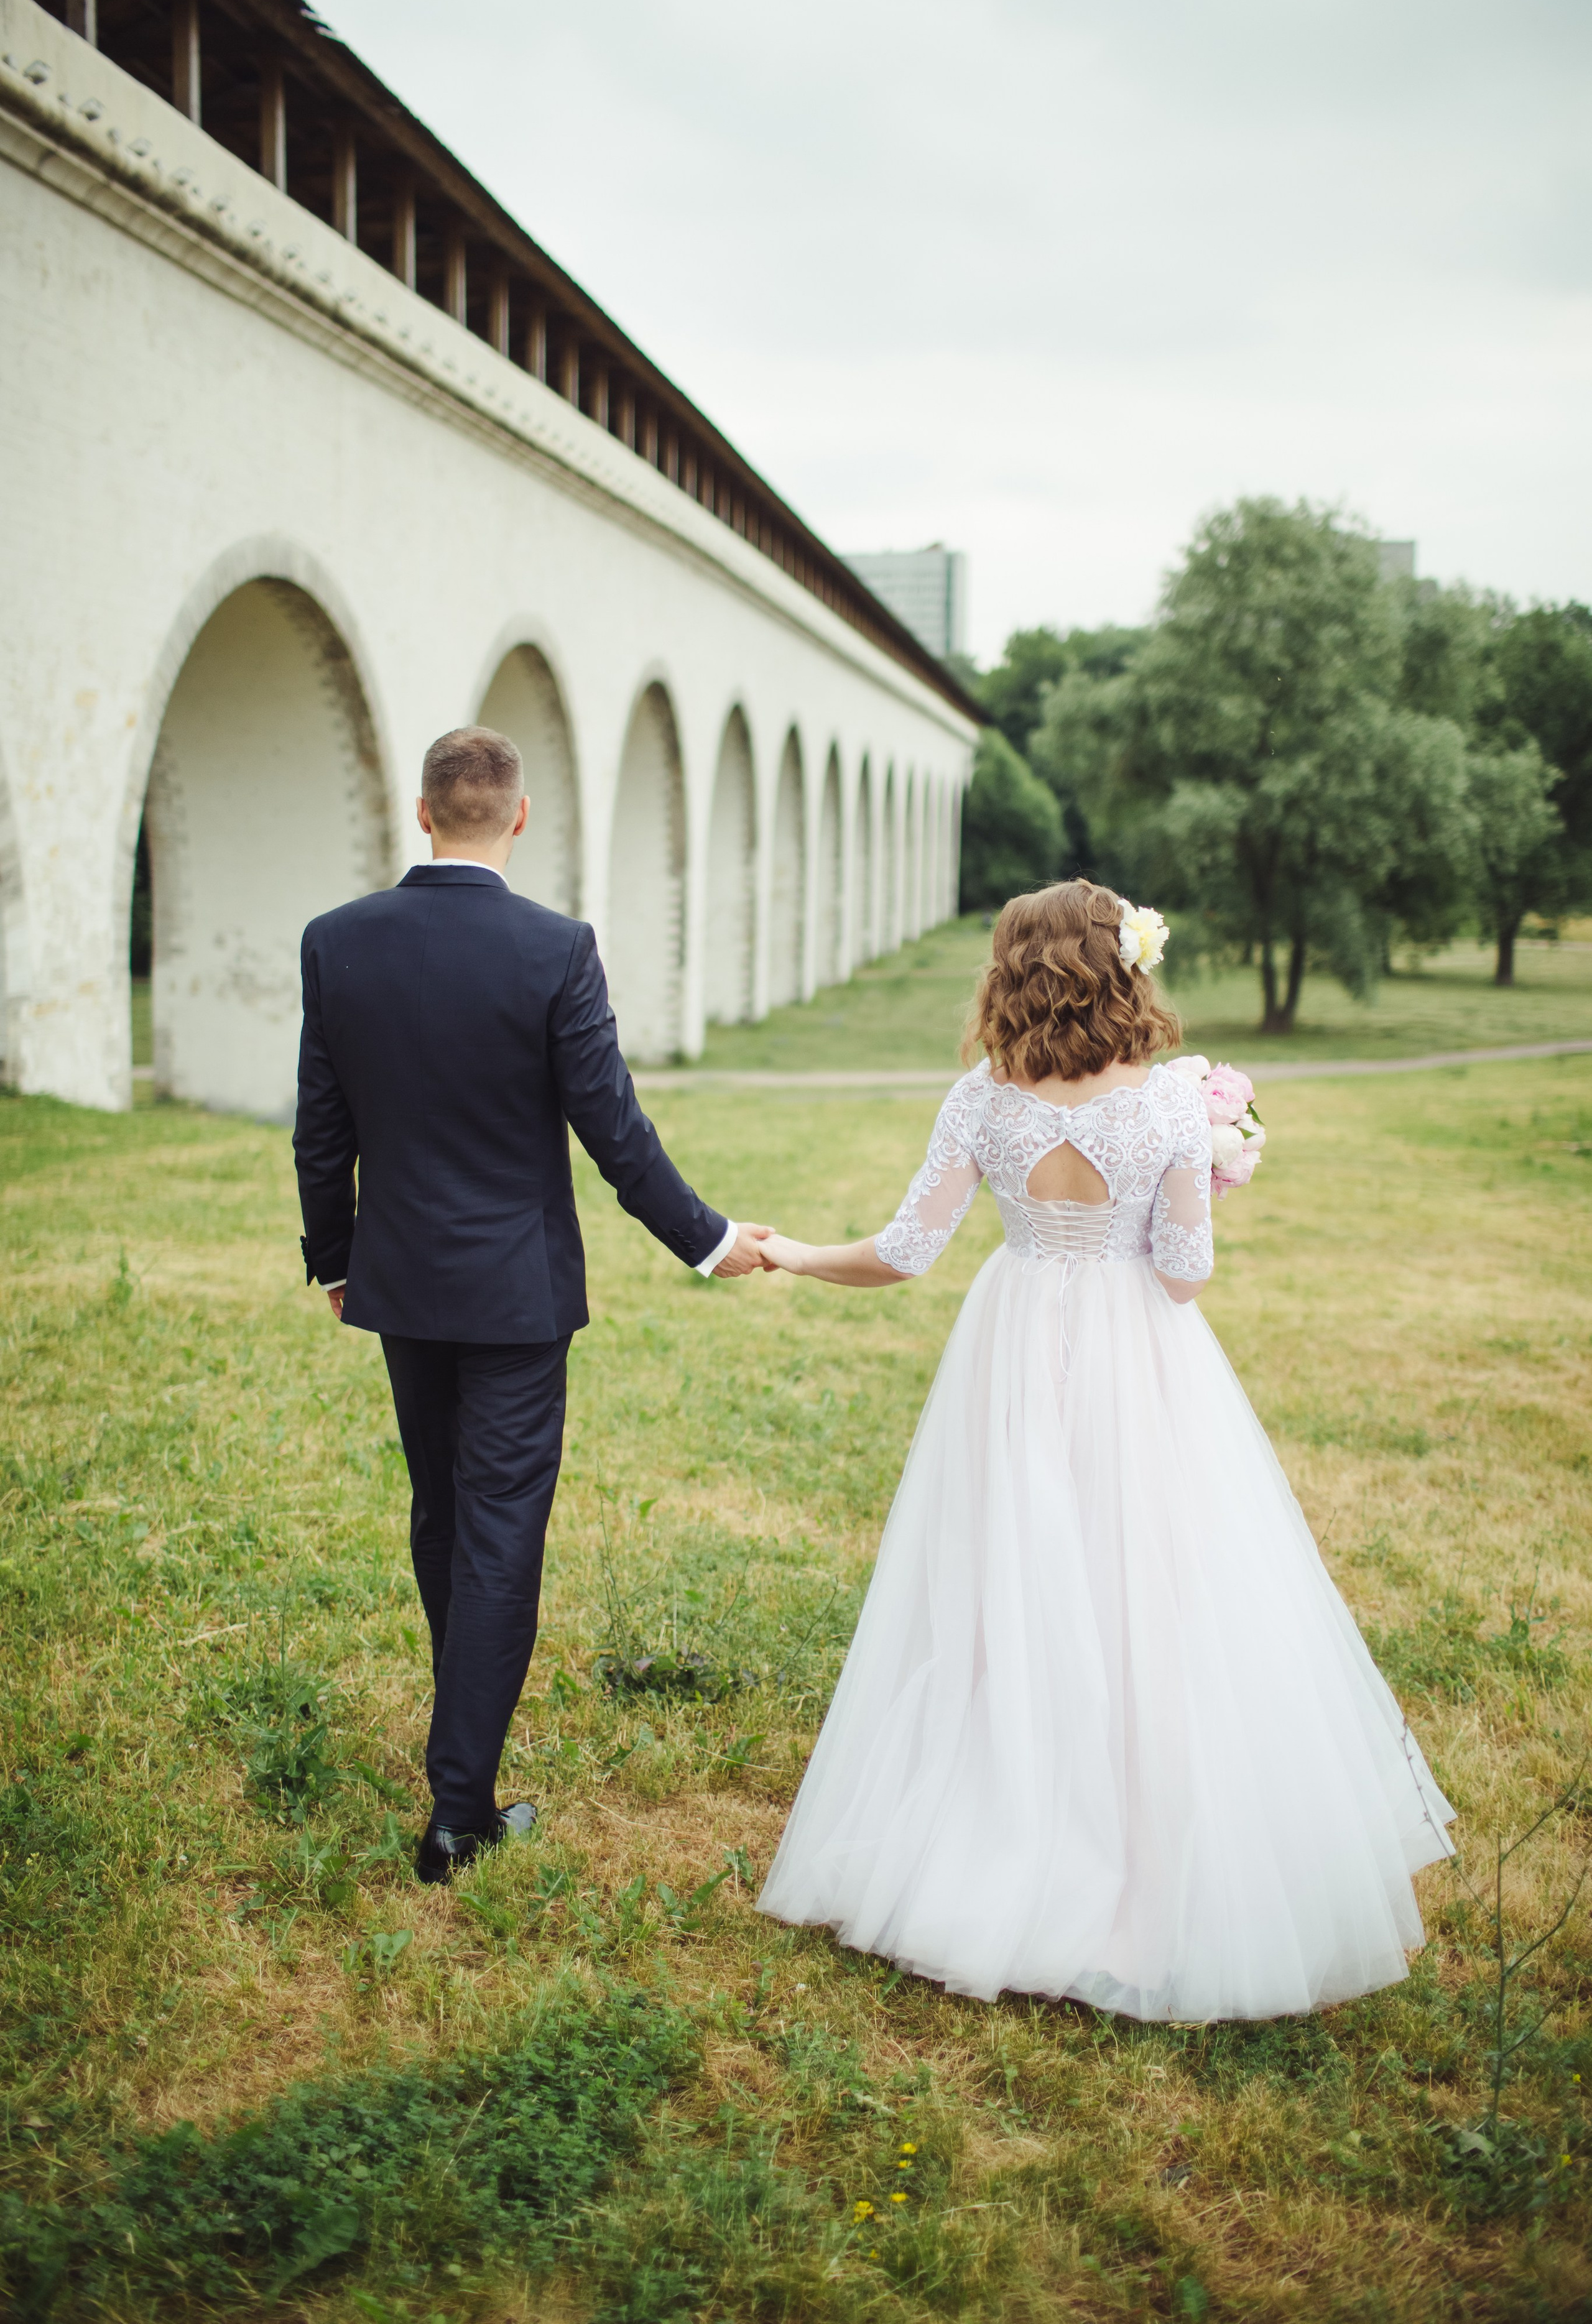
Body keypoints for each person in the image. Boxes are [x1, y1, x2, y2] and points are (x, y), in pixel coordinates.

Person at [753, 879, 1455, 2021]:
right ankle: (1145, 1855)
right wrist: (1209, 1169)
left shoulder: (982, 1100)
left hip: (1017, 1339)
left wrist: (790, 1253)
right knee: (1152, 1582)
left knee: (1009, 1577)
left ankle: (999, 1825)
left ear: (1013, 970)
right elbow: (1185, 1274)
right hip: (1140, 1355)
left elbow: (902, 1252)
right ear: (1121, 964)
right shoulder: (1174, 1104)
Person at [294, 726, 767, 1885]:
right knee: (497, 1529)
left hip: (399, 1283)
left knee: (443, 1517)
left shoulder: (337, 942)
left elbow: (322, 1126)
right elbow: (613, 1130)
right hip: (515, 1296)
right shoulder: (556, 949)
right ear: (516, 818)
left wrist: (334, 1258)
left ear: (421, 815)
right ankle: (459, 1813)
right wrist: (708, 1242)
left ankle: (464, 1761)